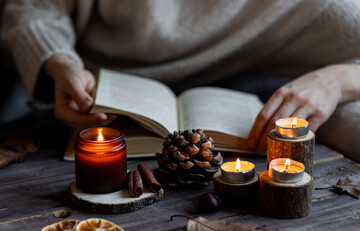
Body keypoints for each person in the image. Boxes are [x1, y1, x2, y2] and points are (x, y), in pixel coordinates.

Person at [1, 0, 360, 160]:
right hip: (96, 95)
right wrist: (57, 60)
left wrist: (335, 82)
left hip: (249, 91)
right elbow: (32, 8)